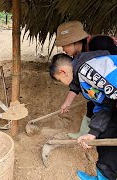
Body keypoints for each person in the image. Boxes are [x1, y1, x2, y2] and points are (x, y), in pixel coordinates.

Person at [49, 51, 117, 180]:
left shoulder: (88, 70)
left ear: (63, 72)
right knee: (106, 134)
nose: (64, 83)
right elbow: (104, 105)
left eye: (60, 80)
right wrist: (93, 133)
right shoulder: (83, 79)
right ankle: (104, 177)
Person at [55, 21, 117, 139]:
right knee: (93, 99)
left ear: (75, 41)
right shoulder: (78, 55)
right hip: (105, 91)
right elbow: (76, 83)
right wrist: (67, 103)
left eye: (64, 45)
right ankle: (87, 133)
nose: (63, 49)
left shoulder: (99, 44)